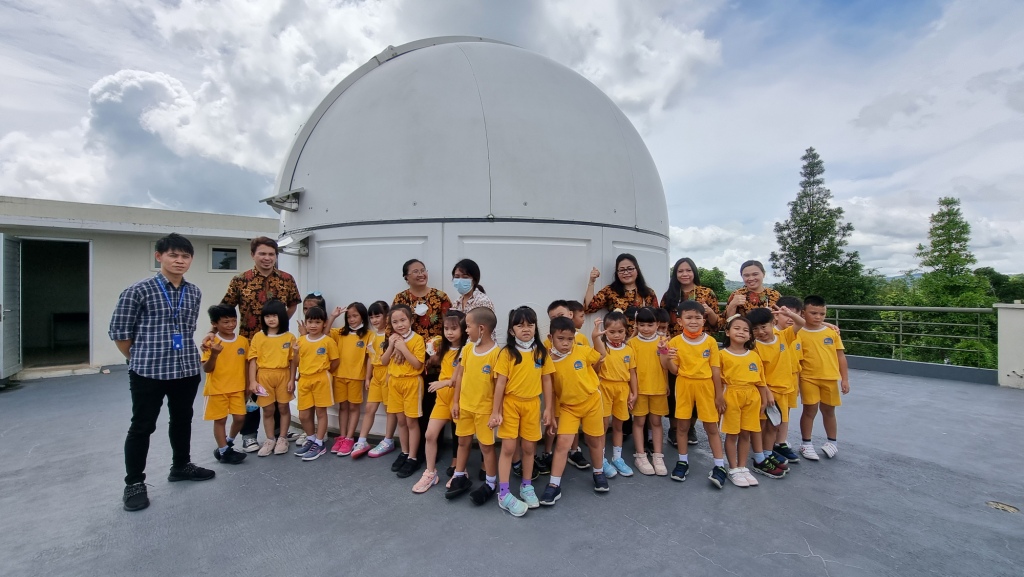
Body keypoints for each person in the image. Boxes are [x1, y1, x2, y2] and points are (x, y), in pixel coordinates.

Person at [111, 233, 213, 512]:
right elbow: (120, 334)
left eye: (185, 256)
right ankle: (134, 483)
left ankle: (181, 466)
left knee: (182, 420)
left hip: (186, 369)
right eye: (173, 255)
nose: (179, 261)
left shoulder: (193, 292)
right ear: (159, 256)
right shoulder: (138, 290)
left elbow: (187, 329)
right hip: (148, 372)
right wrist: (139, 359)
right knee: (142, 426)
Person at [221, 237, 301, 453]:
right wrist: (215, 333)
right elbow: (226, 309)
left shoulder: (286, 279)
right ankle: (248, 434)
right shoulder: (240, 280)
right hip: (248, 343)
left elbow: (293, 303)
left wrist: (280, 323)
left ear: (276, 256)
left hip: (277, 343)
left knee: (277, 386)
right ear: (253, 255)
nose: (267, 258)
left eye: (271, 254)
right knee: (251, 388)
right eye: (262, 254)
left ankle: (276, 433)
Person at [489, 307, 555, 516]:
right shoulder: (507, 353)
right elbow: (500, 384)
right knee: (508, 448)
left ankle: (527, 486)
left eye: (530, 324)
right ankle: (504, 493)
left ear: (536, 327)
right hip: (510, 405)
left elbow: (547, 380)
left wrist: (549, 409)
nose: (526, 329)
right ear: (511, 330)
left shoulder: (541, 352)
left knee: (529, 448)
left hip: (533, 405)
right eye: (520, 325)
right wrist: (495, 411)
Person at [539, 317, 609, 506]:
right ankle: (554, 485)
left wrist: (595, 339)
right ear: (550, 337)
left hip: (592, 402)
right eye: (561, 338)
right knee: (562, 444)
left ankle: (598, 472)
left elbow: (601, 355)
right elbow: (551, 391)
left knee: (594, 440)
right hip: (568, 408)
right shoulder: (547, 361)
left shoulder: (582, 350)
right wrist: (550, 413)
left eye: (569, 339)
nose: (565, 343)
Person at [660, 300, 729, 489]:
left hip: (706, 387)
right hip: (684, 386)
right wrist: (665, 354)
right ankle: (682, 461)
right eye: (688, 317)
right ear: (680, 321)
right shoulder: (674, 341)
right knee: (682, 426)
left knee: (711, 428)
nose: (693, 321)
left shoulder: (711, 342)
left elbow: (715, 371)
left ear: (704, 319)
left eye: (698, 317)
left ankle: (719, 466)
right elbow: (674, 370)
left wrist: (719, 395)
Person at [445, 307, 501, 504]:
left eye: (468, 326)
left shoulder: (497, 354)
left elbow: (499, 386)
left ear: (482, 328)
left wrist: (496, 412)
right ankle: (459, 475)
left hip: (484, 410)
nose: (466, 330)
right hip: (465, 407)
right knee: (462, 442)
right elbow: (460, 375)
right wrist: (455, 401)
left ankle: (491, 483)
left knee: (486, 447)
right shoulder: (468, 348)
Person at [413, 311, 468, 493]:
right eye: (446, 328)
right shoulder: (442, 347)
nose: (449, 332)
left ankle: (460, 472)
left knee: (461, 440)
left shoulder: (467, 350)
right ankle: (430, 472)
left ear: (464, 329)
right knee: (430, 435)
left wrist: (443, 382)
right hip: (442, 400)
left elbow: (460, 377)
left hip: (459, 401)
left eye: (454, 328)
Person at [748, 306, 805, 469]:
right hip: (766, 392)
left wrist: (788, 314)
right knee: (762, 425)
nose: (760, 331)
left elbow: (801, 323)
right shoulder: (755, 347)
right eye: (755, 329)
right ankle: (759, 456)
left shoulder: (783, 336)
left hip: (784, 390)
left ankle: (768, 452)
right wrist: (766, 392)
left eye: (764, 326)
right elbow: (758, 374)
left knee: (775, 425)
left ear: (773, 323)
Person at [718, 315, 770, 487]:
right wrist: (718, 399)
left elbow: (760, 380)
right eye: (737, 328)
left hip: (752, 396)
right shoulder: (721, 355)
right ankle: (733, 468)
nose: (741, 332)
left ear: (750, 336)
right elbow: (716, 380)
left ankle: (742, 466)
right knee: (732, 434)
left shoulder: (754, 356)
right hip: (731, 395)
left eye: (745, 330)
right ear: (727, 332)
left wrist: (763, 400)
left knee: (746, 433)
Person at [798, 295, 850, 461]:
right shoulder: (798, 332)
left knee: (829, 411)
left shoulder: (831, 332)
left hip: (830, 379)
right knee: (810, 410)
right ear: (803, 312)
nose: (818, 317)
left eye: (822, 314)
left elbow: (840, 356)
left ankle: (832, 442)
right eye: (813, 313)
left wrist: (845, 379)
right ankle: (806, 443)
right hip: (808, 378)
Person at [541, 301, 590, 472]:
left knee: (572, 424)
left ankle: (574, 451)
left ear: (570, 314)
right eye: (553, 318)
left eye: (560, 316)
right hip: (556, 391)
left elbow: (589, 363)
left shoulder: (581, 339)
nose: (557, 320)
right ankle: (547, 453)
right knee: (553, 423)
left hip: (576, 391)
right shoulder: (547, 343)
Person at [381, 304, 427, 478]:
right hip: (394, 383)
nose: (399, 324)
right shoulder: (392, 338)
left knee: (411, 422)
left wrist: (403, 348)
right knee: (401, 421)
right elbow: (384, 361)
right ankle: (405, 452)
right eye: (395, 322)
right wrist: (392, 346)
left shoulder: (417, 339)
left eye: (403, 320)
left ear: (411, 320)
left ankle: (413, 457)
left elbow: (417, 365)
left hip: (411, 383)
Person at [200, 305, 248, 466]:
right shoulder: (211, 343)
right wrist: (214, 354)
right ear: (215, 324)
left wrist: (248, 384)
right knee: (220, 420)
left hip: (238, 388)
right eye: (226, 322)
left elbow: (247, 364)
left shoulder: (242, 341)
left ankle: (228, 442)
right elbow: (207, 368)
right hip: (217, 389)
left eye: (233, 321)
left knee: (240, 418)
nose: (231, 325)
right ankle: (223, 451)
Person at [249, 300, 297, 458]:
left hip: (283, 375)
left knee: (283, 408)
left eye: (274, 316)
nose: (271, 319)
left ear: (282, 317)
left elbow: (292, 361)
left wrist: (291, 380)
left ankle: (282, 438)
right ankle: (270, 439)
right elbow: (253, 360)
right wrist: (252, 381)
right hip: (264, 376)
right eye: (267, 316)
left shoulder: (289, 337)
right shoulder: (258, 336)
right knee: (268, 409)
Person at [291, 306, 339, 461]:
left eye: (317, 322)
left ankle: (319, 444)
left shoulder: (328, 341)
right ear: (305, 323)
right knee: (304, 414)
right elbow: (295, 362)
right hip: (304, 379)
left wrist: (324, 373)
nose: (313, 325)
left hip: (321, 379)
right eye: (310, 321)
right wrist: (292, 379)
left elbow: (335, 361)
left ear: (324, 324)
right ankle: (311, 438)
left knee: (320, 412)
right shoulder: (300, 341)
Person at [595, 311, 638, 478]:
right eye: (611, 332)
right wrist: (599, 362)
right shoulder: (602, 348)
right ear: (605, 331)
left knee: (619, 426)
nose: (616, 335)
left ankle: (617, 458)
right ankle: (602, 459)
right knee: (603, 426)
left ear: (626, 331)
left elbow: (632, 373)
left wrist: (634, 392)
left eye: (620, 331)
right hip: (604, 388)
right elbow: (594, 370)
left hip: (623, 389)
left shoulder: (628, 350)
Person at [628, 307, 669, 476]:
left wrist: (663, 350)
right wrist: (634, 391)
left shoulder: (663, 340)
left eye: (650, 324)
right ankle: (641, 455)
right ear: (636, 325)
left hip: (658, 388)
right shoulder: (632, 343)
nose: (646, 328)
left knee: (657, 422)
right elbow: (632, 371)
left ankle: (658, 456)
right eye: (642, 324)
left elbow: (666, 366)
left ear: (657, 324)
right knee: (639, 422)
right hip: (640, 390)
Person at [328, 303, 370, 457]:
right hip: (339, 375)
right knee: (343, 408)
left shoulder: (368, 335)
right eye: (349, 316)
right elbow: (324, 335)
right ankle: (342, 436)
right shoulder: (340, 333)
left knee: (353, 408)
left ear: (362, 317)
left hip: (356, 377)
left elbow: (370, 358)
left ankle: (350, 438)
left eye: (355, 316)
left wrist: (367, 378)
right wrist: (333, 317)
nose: (351, 319)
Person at [359, 301, 398, 459]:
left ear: (386, 316)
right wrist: (368, 377)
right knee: (369, 408)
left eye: (378, 316)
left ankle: (388, 440)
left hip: (388, 373)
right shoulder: (371, 335)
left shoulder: (391, 335)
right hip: (376, 374)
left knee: (390, 409)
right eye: (372, 317)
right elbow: (369, 358)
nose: (374, 320)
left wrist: (389, 375)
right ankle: (362, 440)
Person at [584, 254, 658, 331]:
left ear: (637, 270)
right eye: (622, 270)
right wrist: (591, 282)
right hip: (617, 340)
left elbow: (657, 318)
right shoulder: (610, 291)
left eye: (630, 269)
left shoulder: (648, 293)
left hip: (642, 340)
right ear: (617, 273)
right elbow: (588, 307)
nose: (626, 273)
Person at [772, 296, 806, 462]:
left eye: (794, 314)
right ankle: (769, 444)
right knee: (772, 414)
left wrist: (797, 383)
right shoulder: (773, 334)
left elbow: (798, 361)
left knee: (786, 413)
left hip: (791, 379)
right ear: (776, 314)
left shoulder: (797, 335)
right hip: (774, 381)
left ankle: (781, 441)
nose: (790, 318)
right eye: (786, 314)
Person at [661, 257, 722, 336]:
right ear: (675, 274)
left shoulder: (707, 293)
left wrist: (709, 311)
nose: (685, 274)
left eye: (689, 270)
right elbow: (662, 320)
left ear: (694, 272)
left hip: (700, 343)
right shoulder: (668, 295)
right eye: (680, 271)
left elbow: (717, 325)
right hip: (675, 343)